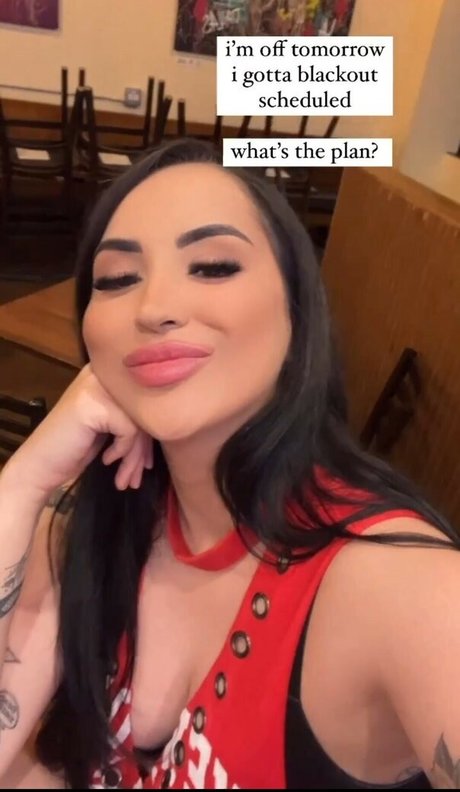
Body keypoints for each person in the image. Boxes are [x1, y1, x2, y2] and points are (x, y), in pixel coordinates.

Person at [0, 138, 459, 790]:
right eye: (117, 279)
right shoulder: (87, 527)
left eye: (213, 266)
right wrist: (23, 481)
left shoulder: (405, 586)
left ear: (297, 312)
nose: (154, 308)